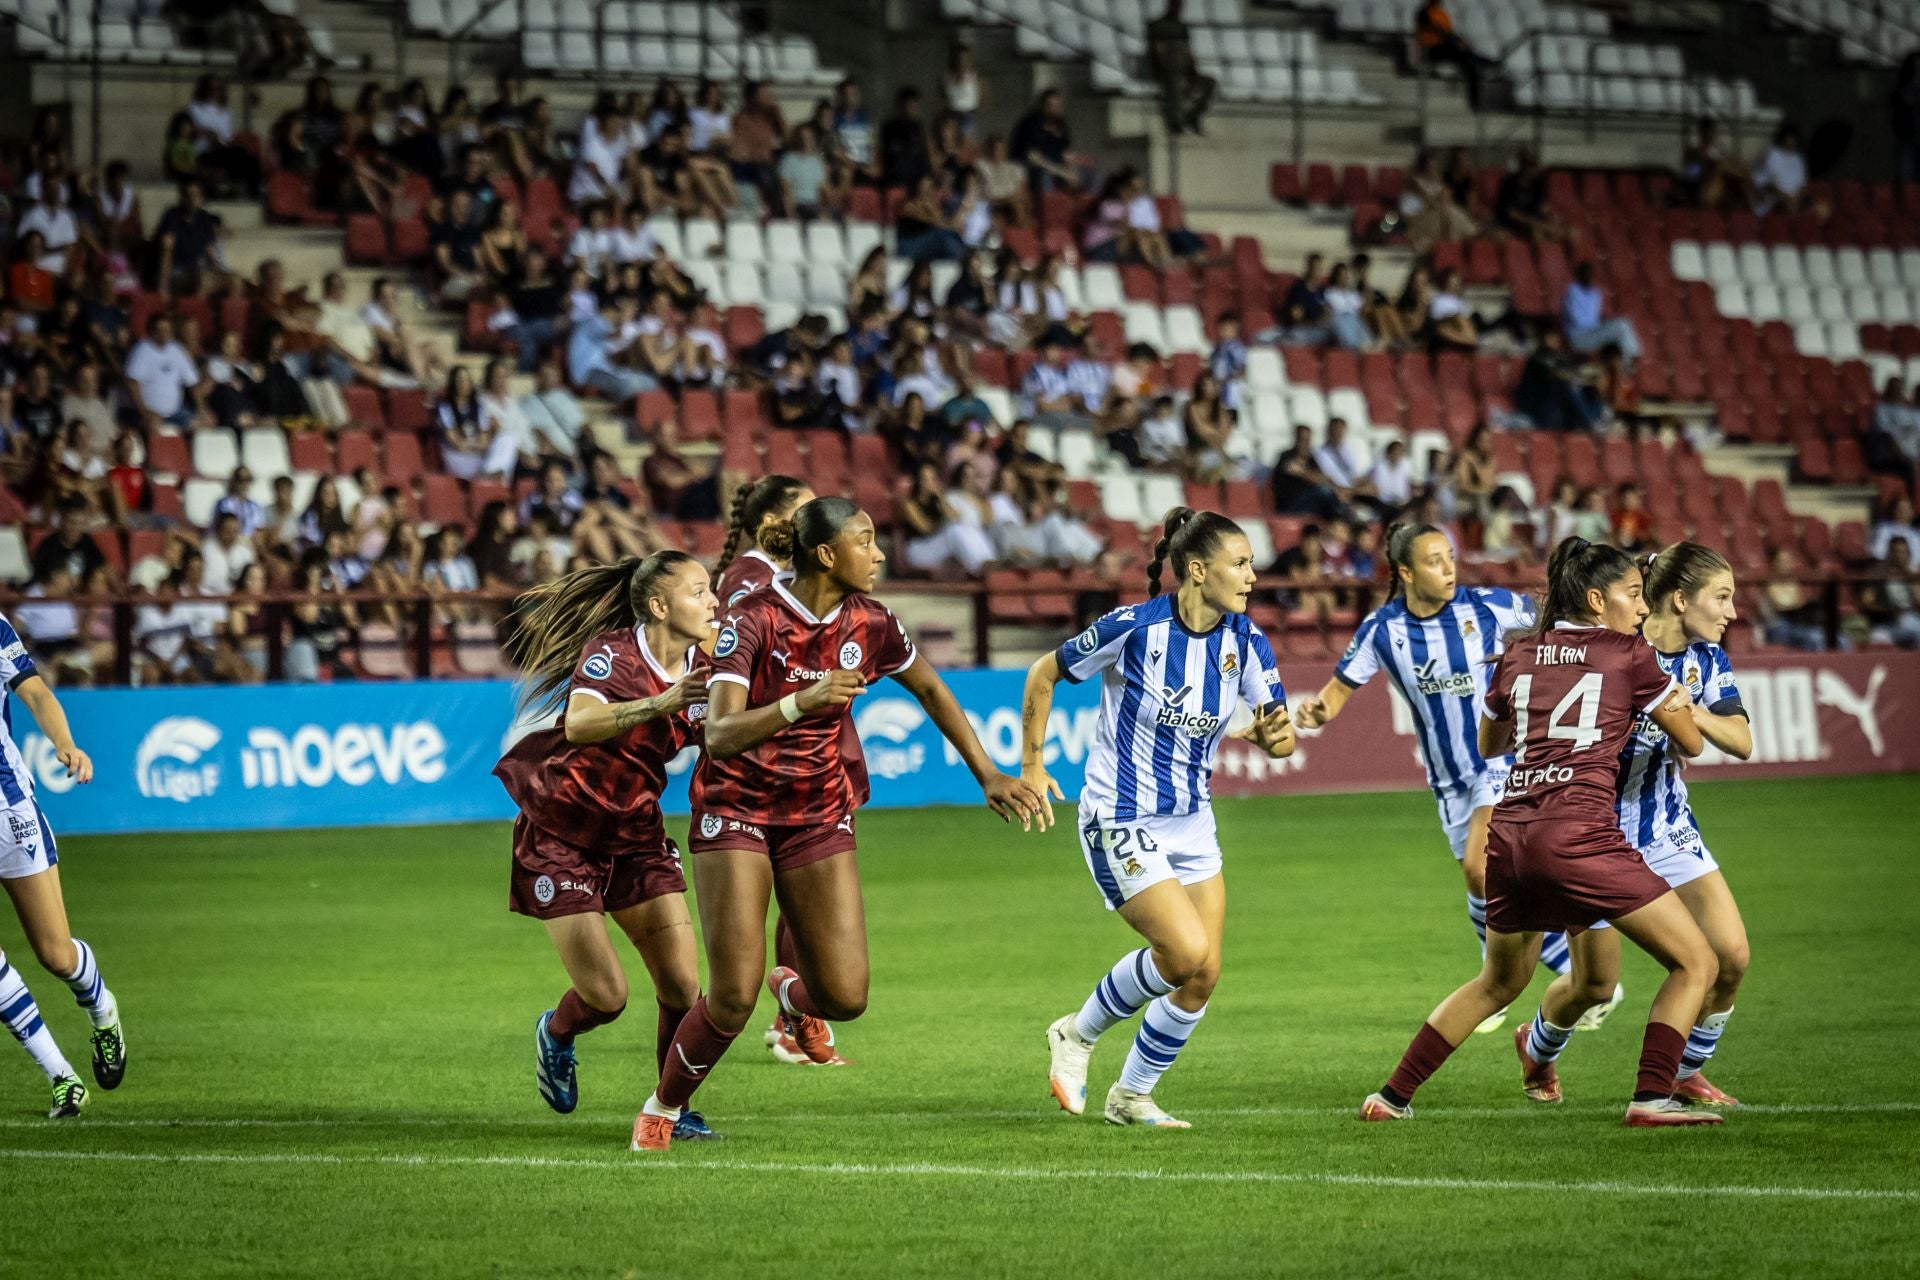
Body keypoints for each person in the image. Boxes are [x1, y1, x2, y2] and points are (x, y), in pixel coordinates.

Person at [630, 498, 1047, 1151]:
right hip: (737, 808)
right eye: (866, 540)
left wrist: (988, 773)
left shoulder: (872, 622)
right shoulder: (754, 619)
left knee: (847, 998)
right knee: (733, 997)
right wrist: (805, 698)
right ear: (827, 554)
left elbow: (933, 690)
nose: (879, 554)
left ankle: (794, 1000)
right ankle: (662, 1108)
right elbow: (720, 730)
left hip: (818, 812)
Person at [1361, 537, 1724, 1128]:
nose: (1640, 607)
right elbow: (1691, 743)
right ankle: (1652, 1097)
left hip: (1512, 833)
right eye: (1633, 595)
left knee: (1500, 982)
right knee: (1696, 963)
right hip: (1582, 836)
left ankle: (1391, 1097)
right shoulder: (1631, 656)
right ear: (1596, 598)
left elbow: (1490, 745)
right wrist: (1673, 701)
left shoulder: (1520, 653)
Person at [1030, 508, 1295, 1128]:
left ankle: (1132, 1095)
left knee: (1203, 974)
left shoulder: (1247, 641)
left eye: (1253, 563)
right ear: (1198, 571)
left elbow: (1281, 739)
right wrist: (1032, 765)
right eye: (1241, 563)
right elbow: (1045, 672)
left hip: (1191, 819)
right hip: (1120, 814)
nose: (1253, 576)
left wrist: (1268, 738)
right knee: (1182, 952)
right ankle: (1077, 1034)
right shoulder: (1133, 629)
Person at [1294, 524, 1586, 1033]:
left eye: (1450, 557)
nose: (1448, 568)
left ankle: (1567, 965)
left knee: (1480, 867)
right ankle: (1497, 974)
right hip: (1448, 779)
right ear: (1405, 572)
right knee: (1483, 878)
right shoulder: (1383, 630)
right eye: (1434, 561)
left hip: (1501, 762)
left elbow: (1556, 621)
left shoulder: (1488, 607)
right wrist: (1318, 712)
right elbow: (1338, 691)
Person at [1513, 543, 1754, 1110]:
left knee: (1731, 958)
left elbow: (1740, 740)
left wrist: (1681, 707)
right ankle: (1538, 1046)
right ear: (1679, 598)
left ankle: (1681, 1074)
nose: (1732, 612)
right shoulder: (1613, 647)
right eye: (1721, 597)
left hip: (1665, 826)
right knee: (1594, 986)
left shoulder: (1706, 661)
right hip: (1590, 831)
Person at [495, 553, 723, 1142]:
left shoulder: (712, 663)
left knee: (681, 986)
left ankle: (670, 1109)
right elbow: (581, 724)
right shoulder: (613, 653)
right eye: (699, 592)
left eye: (713, 590)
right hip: (562, 835)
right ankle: (557, 1032)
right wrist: (664, 703)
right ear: (659, 606)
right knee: (607, 996)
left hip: (637, 836)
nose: (714, 602)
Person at [0, 609, 125, 1119]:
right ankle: (62, 1078)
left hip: (8, 809)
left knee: (55, 954)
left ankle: (102, 1010)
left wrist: (64, 742)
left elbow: (35, 692)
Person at [713, 475, 815, 608]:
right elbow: (722, 628)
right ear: (771, 521)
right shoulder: (751, 576)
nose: (817, 522)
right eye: (807, 514)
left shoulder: (786, 577)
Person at [1147, 0, 1216, 136]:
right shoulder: (1156, 26)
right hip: (1166, 72)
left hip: (1183, 71)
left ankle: (1193, 116)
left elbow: (1188, 52)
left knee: (1210, 83)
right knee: (1174, 84)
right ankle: (1175, 123)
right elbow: (1154, 53)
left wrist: (1192, 72)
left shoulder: (1181, 27)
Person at [1561, 262, 1641, 363]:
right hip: (1578, 338)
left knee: (1625, 322)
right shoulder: (1572, 292)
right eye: (1585, 273)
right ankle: (1631, 360)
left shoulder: (1595, 293)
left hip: (1593, 333)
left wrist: (1604, 325)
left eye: (1590, 274)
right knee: (1621, 325)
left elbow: (1594, 318)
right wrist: (1601, 326)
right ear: (1578, 275)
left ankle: (1628, 362)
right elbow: (1578, 321)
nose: (1589, 276)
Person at [1414, 0, 1486, 109]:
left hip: (1446, 47)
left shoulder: (1442, 13)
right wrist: (1456, 39)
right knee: (1464, 55)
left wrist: (1457, 39)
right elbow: (1437, 31)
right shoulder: (1423, 13)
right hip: (1432, 49)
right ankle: (1484, 62)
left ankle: (1475, 100)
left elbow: (1447, 32)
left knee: (1468, 62)